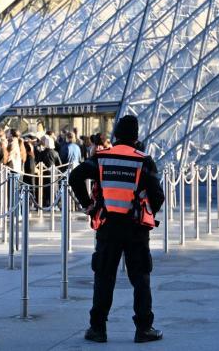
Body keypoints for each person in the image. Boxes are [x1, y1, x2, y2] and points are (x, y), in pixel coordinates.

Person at [68, 115, 164, 343]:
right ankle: (144, 329)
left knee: (104, 277)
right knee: (140, 278)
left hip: (108, 226)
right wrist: (146, 210)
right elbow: (158, 197)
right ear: (136, 136)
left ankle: (97, 328)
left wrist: (89, 206)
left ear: (116, 135)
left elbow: (75, 177)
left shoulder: (102, 158)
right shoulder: (143, 160)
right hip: (135, 228)